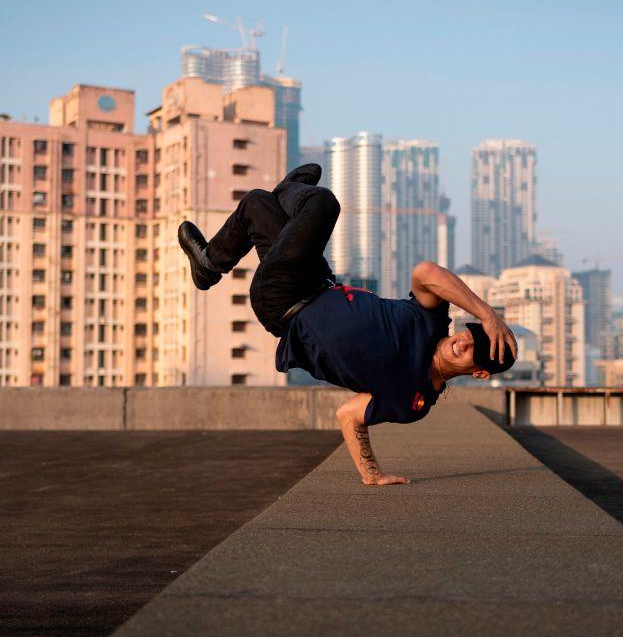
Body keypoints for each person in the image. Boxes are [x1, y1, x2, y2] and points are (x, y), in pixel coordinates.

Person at [178, 164, 518, 486]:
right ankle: (208, 265)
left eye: (474, 349)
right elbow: (426, 272)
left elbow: (349, 414)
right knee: (256, 204)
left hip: (284, 303)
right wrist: (486, 313)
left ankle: (289, 191)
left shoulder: (413, 398)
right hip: (316, 278)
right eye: (469, 332)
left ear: (480, 373)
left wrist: (371, 474)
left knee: (322, 202)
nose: (462, 341)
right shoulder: (432, 321)